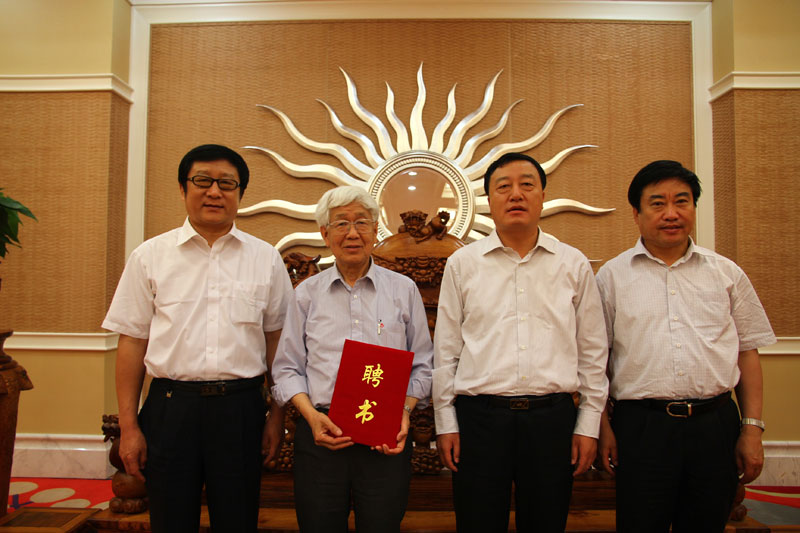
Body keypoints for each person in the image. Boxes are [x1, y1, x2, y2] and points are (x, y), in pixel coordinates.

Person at [103, 144, 293, 532]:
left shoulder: (265, 259)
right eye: (202, 181)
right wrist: (129, 426)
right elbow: (133, 342)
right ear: (182, 188)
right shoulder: (149, 256)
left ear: (240, 193)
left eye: (227, 183)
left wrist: (277, 416)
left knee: (238, 518)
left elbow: (278, 342)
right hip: (170, 409)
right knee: (170, 519)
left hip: (241, 410)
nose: (214, 192)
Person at [595, 160, 776, 533]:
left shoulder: (726, 273)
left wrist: (752, 429)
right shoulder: (611, 277)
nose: (671, 213)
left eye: (682, 201)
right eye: (657, 203)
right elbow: (597, 360)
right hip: (641, 428)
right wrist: (603, 427)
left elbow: (747, 353)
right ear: (637, 213)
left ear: (694, 207)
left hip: (715, 426)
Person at [433, 152, 609, 532]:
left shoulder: (572, 263)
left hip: (552, 420)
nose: (516, 194)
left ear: (542, 196)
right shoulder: (463, 264)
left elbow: (593, 353)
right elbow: (446, 352)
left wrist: (588, 424)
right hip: (480, 420)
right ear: (490, 200)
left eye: (527, 185)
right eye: (504, 187)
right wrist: (445, 421)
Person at [271, 186, 433, 533]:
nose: (352, 233)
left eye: (361, 222)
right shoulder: (306, 294)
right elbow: (286, 369)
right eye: (341, 223)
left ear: (375, 231)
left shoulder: (403, 289)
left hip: (385, 437)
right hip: (321, 434)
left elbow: (423, 365)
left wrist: (404, 412)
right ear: (324, 234)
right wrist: (311, 416)